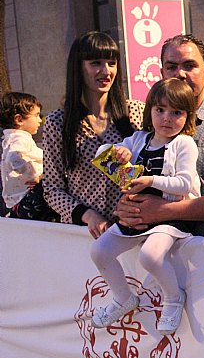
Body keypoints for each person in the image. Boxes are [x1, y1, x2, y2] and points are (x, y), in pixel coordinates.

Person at [115, 34, 204, 241]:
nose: (180, 74)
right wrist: (127, 208)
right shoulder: (149, 128)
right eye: (171, 67)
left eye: (189, 65)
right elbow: (133, 181)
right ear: (162, 73)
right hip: (150, 254)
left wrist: (165, 210)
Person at [90, 78, 199, 335]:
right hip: (136, 217)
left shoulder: (184, 144)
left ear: (188, 116)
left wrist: (151, 180)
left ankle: (173, 298)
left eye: (176, 112)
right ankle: (123, 298)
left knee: (150, 256)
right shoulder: (138, 139)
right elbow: (102, 155)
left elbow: (184, 183)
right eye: (160, 110)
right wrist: (117, 152)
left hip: (171, 218)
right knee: (99, 252)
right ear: (149, 110)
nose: (167, 118)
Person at [43, 31, 144, 238]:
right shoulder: (57, 123)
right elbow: (52, 188)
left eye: (111, 63)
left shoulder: (136, 112)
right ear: (79, 67)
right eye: (96, 62)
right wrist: (87, 215)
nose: (106, 71)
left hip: (134, 229)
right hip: (83, 234)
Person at [0, 92, 58, 221]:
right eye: (36, 115)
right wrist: (33, 173)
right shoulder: (18, 139)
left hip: (20, 202)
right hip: (27, 200)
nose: (40, 120)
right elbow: (13, 158)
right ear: (19, 120)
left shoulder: (13, 138)